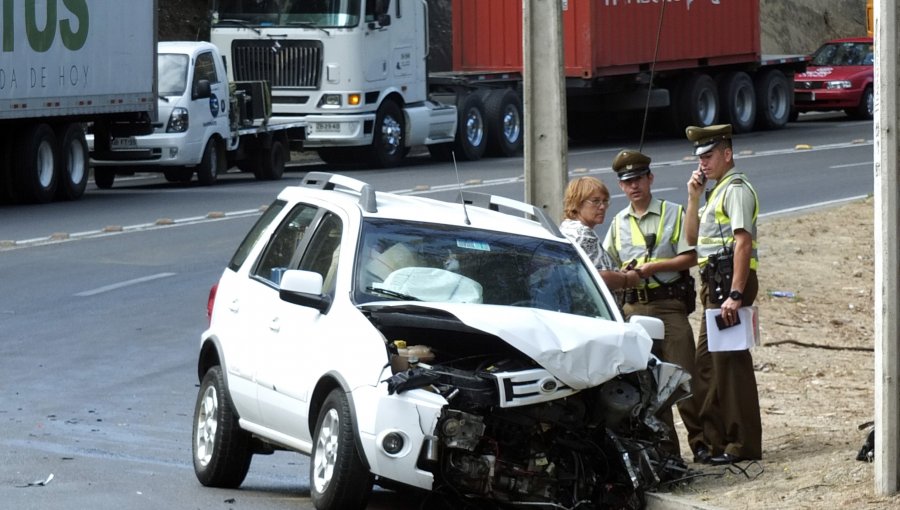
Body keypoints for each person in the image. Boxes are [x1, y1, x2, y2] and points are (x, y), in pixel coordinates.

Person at [602, 149, 703, 461]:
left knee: (684, 380)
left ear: (650, 178)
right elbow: (608, 266)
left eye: (639, 179)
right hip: (635, 311)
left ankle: (702, 445)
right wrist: (625, 275)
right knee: (649, 389)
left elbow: (692, 256)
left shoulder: (673, 212)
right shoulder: (618, 223)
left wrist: (654, 267)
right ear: (621, 186)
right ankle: (666, 453)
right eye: (627, 181)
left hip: (669, 307)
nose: (634, 186)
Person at [684, 124, 761, 465]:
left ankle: (742, 444)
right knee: (707, 367)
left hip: (728, 285)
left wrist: (736, 293)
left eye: (709, 156)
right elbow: (691, 239)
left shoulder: (736, 189)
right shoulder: (715, 192)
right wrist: (693, 197)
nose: (703, 163)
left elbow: (743, 243)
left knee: (730, 367)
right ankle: (717, 442)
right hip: (715, 287)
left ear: (727, 154)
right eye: (700, 157)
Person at [560, 176, 641, 301]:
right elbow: (600, 276)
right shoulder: (584, 234)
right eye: (595, 201)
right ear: (576, 203)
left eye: (605, 201)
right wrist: (627, 279)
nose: (602, 207)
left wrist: (617, 273)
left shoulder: (566, 227)